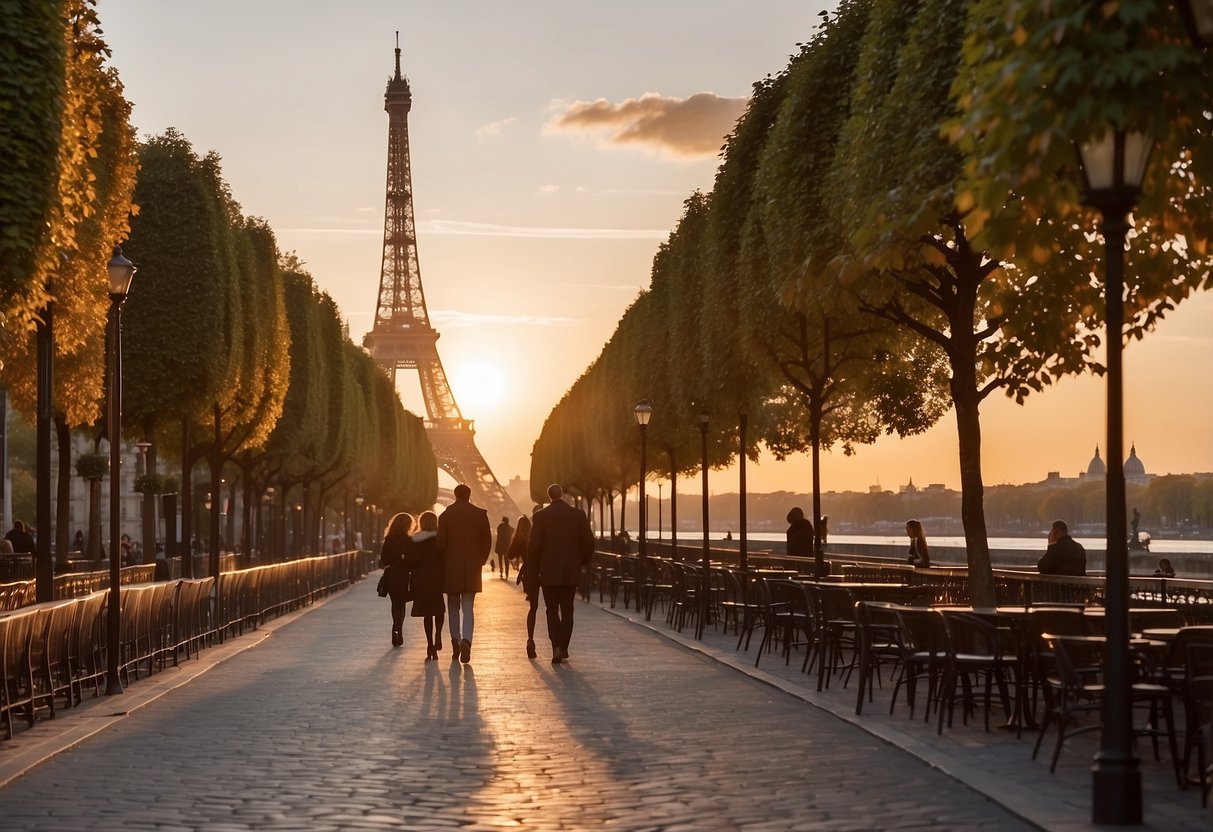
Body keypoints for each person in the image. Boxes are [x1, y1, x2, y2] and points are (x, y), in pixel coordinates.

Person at [527, 484, 594, 664]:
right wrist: (582, 561)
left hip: (548, 571)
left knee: (551, 610)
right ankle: (564, 646)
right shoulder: (578, 515)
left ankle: (556, 645)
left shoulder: (540, 516)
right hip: (571, 570)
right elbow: (588, 541)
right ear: (562, 494)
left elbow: (534, 547)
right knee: (568, 609)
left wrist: (532, 571)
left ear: (549, 496)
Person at [438, 483, 492, 663]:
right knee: (468, 606)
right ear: (469, 495)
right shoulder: (480, 514)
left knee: (453, 606)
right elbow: (487, 542)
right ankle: (467, 640)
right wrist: (480, 560)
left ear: (454, 495)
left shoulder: (445, 515)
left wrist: (444, 562)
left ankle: (455, 640)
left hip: (451, 566)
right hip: (472, 566)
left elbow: (441, 544)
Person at [405, 511, 445, 660]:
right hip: (437, 578)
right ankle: (438, 635)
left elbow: (411, 561)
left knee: (427, 614)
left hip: (421, 580)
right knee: (439, 608)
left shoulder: (416, 540)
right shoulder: (439, 540)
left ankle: (430, 645)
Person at [378, 513, 414, 646]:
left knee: (395, 603)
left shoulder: (389, 539)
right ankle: (399, 629)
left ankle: (395, 628)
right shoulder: (409, 540)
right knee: (402, 603)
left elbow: (383, 559)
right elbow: (412, 560)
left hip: (391, 575)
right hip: (404, 575)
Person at [509, 515, 537, 657]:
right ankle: (556, 643)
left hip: (529, 574)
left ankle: (530, 640)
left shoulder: (519, 540)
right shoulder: (535, 535)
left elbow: (510, 555)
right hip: (542, 571)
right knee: (552, 608)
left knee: (533, 608)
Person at [495, 515, 514, 580]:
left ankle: (501, 571)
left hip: (500, 546)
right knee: (506, 561)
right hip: (507, 547)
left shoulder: (500, 526)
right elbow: (512, 531)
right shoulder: (509, 528)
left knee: (500, 560)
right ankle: (506, 573)